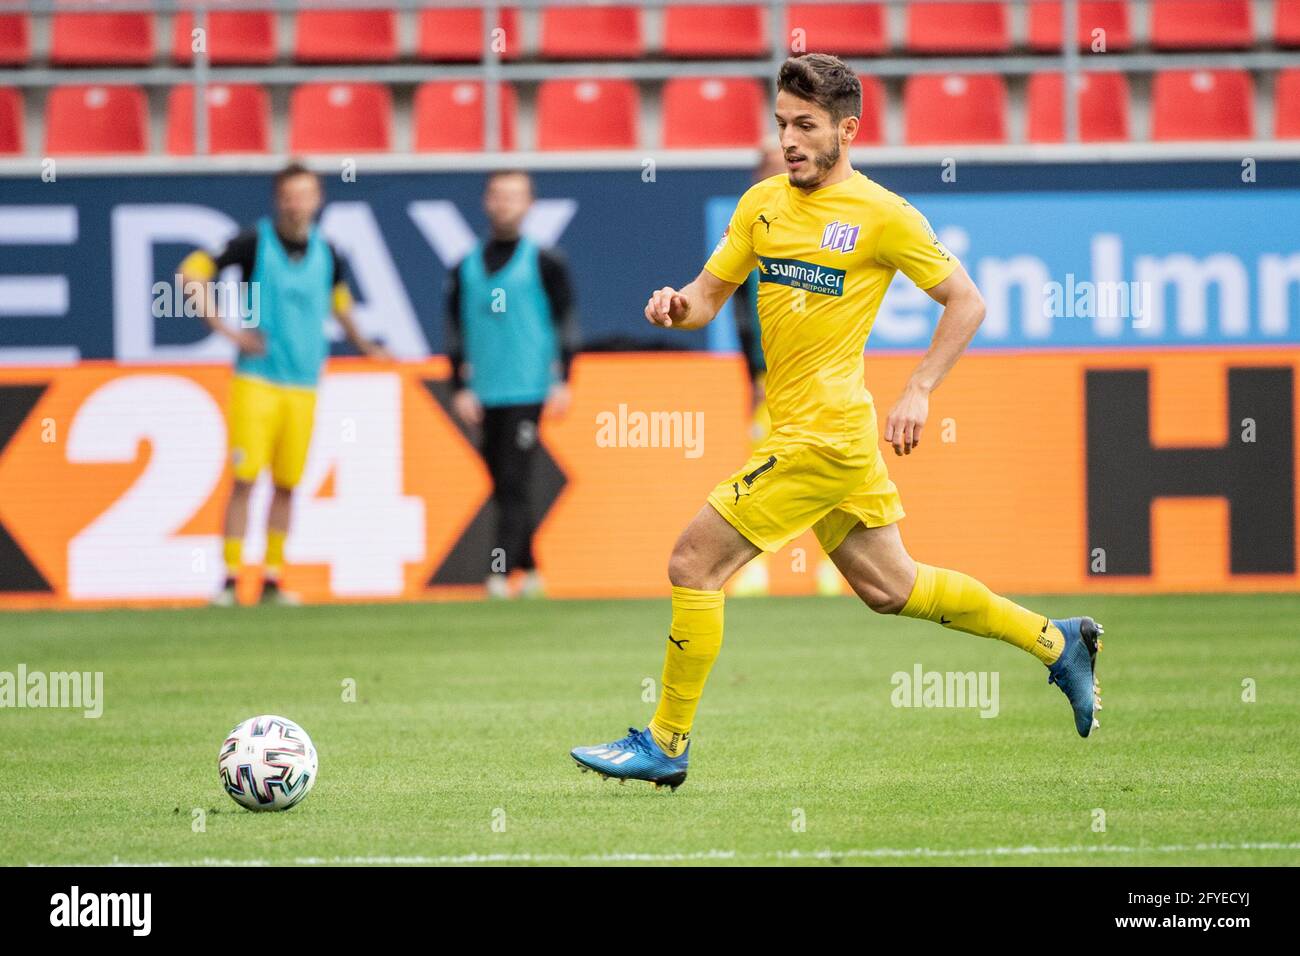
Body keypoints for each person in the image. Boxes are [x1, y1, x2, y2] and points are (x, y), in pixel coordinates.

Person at [571, 54, 1103, 791]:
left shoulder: (883, 216)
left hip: (820, 438)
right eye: (782, 123)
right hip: (826, 437)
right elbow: (705, 297)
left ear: (847, 129)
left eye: (805, 125)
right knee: (893, 588)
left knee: (693, 563)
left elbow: (968, 301)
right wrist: (673, 305)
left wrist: (919, 388)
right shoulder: (761, 204)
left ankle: (666, 741)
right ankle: (1058, 641)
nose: (788, 139)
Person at [180, 161, 388, 606]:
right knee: (245, 478)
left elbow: (341, 306)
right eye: (290, 195)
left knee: (289, 483)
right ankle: (232, 578)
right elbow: (191, 272)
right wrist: (226, 330)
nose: (298, 204)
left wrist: (367, 346)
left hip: (305, 383)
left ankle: (274, 575)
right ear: (279, 199)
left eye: (306, 194)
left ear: (318, 199)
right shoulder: (254, 243)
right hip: (257, 379)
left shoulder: (329, 253)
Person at [445, 169, 579, 599]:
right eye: (498, 196)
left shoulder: (544, 262)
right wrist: (458, 385)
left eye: (514, 196)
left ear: (528, 205)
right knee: (502, 481)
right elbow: (455, 329)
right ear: (487, 202)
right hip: (486, 389)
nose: (505, 204)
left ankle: (499, 573)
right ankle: (531, 566)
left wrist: (564, 377)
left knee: (514, 477)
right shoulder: (464, 266)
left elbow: (566, 323)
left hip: (529, 388)